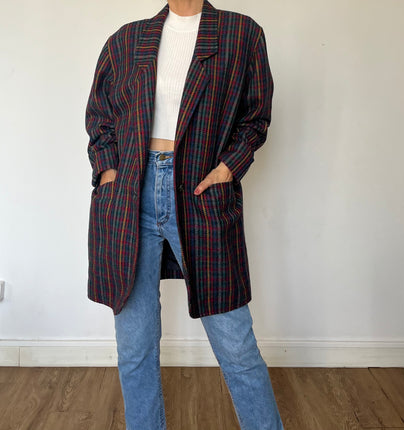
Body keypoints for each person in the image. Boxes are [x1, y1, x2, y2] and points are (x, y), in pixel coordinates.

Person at [85, 0, 284, 428]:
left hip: (199, 190)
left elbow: (256, 117)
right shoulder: (127, 39)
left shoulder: (240, 34)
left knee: (236, 344)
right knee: (135, 346)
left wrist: (228, 168)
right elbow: (101, 117)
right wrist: (109, 171)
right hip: (130, 194)